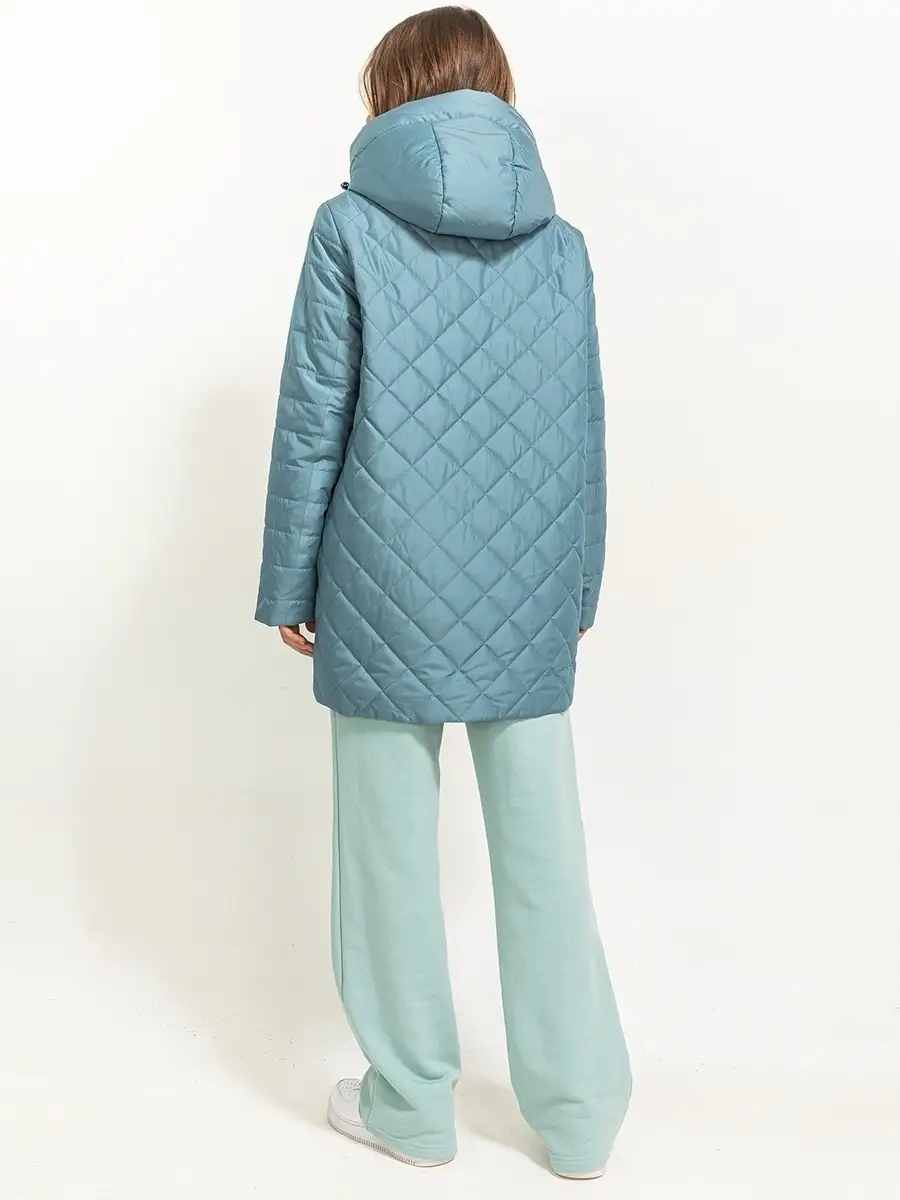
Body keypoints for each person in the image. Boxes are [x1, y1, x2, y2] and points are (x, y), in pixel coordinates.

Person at [255, 5, 631, 1181]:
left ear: (391, 93)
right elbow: (584, 428)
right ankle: (579, 1121)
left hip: (379, 577)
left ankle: (411, 1108)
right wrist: (579, 583)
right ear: (494, 89)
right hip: (528, 582)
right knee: (544, 854)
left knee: (386, 858)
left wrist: (290, 580)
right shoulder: (562, 243)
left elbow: (314, 416)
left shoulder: (348, 225)